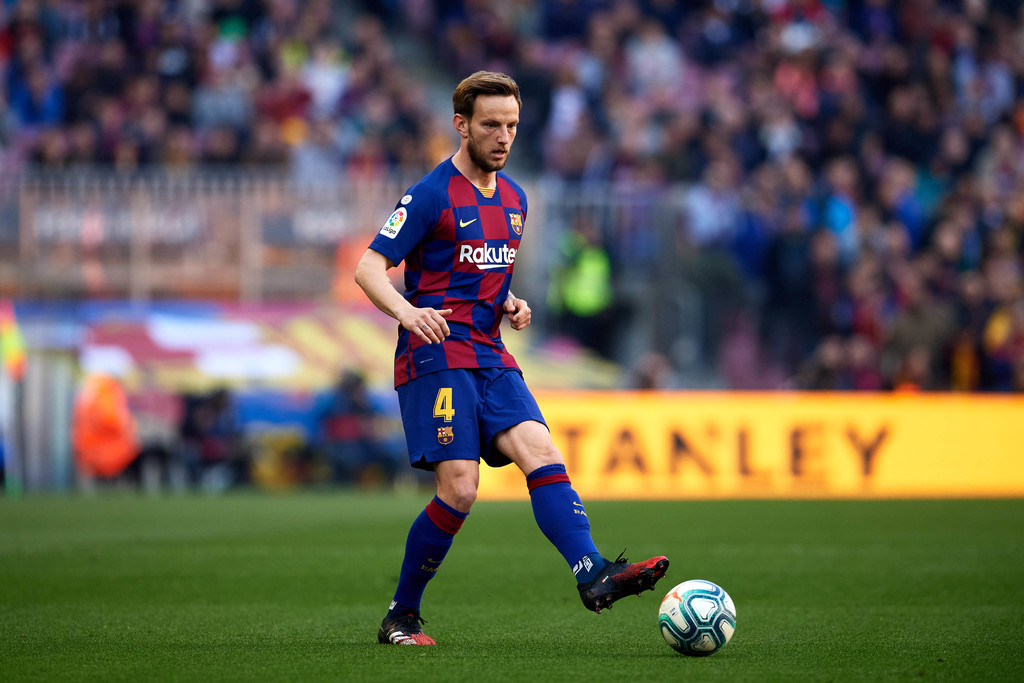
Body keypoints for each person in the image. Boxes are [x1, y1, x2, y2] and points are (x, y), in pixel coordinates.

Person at [354, 71, 669, 646]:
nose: (503, 137)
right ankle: (401, 613)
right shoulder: (430, 194)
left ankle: (593, 572)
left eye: (512, 126)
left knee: (542, 450)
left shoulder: (518, 200)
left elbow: (483, 278)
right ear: (462, 125)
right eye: (491, 125)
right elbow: (368, 268)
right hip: (436, 355)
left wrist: (511, 302)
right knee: (461, 490)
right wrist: (406, 312)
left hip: (491, 354)